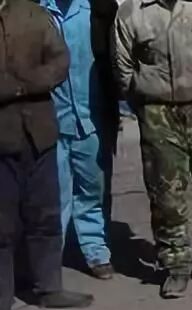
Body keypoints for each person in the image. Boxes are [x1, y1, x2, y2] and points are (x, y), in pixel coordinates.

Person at [113, 0, 192, 299]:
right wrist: (146, 100)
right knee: (166, 196)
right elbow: (123, 67)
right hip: (158, 115)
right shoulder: (132, 13)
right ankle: (176, 267)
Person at [1, 0, 94, 310]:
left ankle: (49, 287)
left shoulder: (32, 14)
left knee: (45, 214)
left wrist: (25, 86)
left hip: (39, 133)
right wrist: (13, 88)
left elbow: (59, 60)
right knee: (2, 226)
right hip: (2, 139)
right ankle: (1, 308)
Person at [42, 0, 119, 280]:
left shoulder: (99, 9)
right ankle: (49, 259)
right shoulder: (37, 12)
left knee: (93, 188)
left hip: (92, 116)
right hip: (51, 120)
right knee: (53, 193)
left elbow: (116, 57)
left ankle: (95, 250)